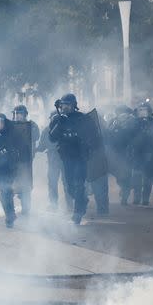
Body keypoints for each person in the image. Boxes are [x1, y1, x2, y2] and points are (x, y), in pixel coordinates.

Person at [48, 93, 90, 224]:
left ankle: (77, 213)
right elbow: (52, 138)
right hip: (66, 158)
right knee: (70, 186)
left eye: (68, 104)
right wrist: (60, 122)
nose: (65, 107)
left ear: (74, 105)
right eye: (63, 105)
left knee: (79, 184)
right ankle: (83, 200)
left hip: (80, 157)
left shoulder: (82, 118)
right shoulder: (57, 119)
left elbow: (92, 136)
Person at [36, 110, 68, 211]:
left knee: (59, 181)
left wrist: (35, 149)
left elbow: (41, 147)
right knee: (58, 181)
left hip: (60, 158)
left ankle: (58, 204)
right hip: (57, 158)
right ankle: (63, 204)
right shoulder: (47, 130)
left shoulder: (47, 130)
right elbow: (41, 147)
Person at [105, 106, 138, 205]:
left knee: (126, 176)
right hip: (115, 154)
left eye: (125, 113)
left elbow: (136, 138)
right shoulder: (113, 123)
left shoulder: (133, 123)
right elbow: (108, 135)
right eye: (120, 113)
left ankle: (125, 195)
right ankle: (124, 190)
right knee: (121, 176)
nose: (123, 115)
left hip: (127, 154)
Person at [11, 105, 39, 215]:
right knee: (11, 185)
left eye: (19, 113)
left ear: (24, 115)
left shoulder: (31, 125)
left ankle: (26, 209)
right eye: (15, 113)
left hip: (25, 161)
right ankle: (10, 210)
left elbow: (36, 136)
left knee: (25, 185)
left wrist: (28, 128)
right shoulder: (10, 126)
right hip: (13, 161)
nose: (16, 116)